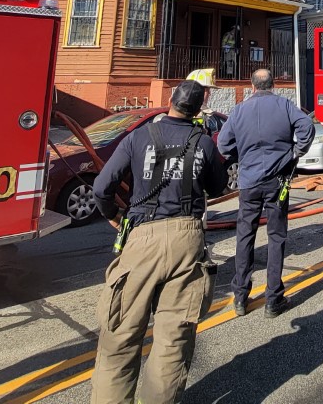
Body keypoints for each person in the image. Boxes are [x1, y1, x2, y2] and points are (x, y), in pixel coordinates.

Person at [88, 80, 228, 404]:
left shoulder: (137, 137)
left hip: (141, 236)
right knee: (172, 343)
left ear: (170, 101)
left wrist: (114, 215)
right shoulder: (204, 142)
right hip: (187, 239)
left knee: (120, 337)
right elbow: (219, 186)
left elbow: (101, 187)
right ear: (198, 110)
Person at [217, 69, 315, 318]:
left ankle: (240, 297)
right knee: (276, 236)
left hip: (249, 182)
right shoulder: (283, 105)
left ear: (252, 86)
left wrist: (242, 156)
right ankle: (273, 299)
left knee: (245, 236)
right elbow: (306, 124)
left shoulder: (239, 110)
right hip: (277, 181)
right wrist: (296, 152)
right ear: (273, 85)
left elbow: (223, 144)